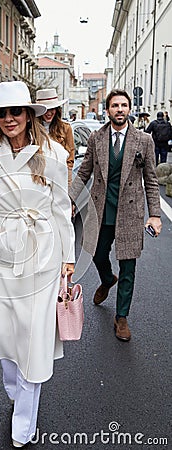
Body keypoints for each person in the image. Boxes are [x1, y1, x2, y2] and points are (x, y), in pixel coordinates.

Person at [0, 81, 75, 448]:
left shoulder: (54, 155)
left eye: (16, 111)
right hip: (0, 258)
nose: (9, 119)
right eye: (3, 113)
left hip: (41, 255)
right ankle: (16, 391)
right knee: (1, 332)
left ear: (30, 115)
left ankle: (24, 422)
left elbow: (63, 209)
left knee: (33, 337)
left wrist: (68, 259)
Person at [70, 88, 162, 342]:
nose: (119, 109)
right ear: (107, 110)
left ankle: (121, 317)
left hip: (130, 213)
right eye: (114, 105)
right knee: (98, 256)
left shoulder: (144, 140)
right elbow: (83, 172)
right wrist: (68, 199)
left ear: (129, 109)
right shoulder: (96, 138)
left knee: (129, 267)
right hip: (101, 211)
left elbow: (151, 181)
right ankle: (107, 279)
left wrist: (155, 214)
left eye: (123, 105)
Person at [36, 88, 75, 186]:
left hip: (59, 177)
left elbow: (70, 156)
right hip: (38, 178)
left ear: (57, 110)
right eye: (45, 109)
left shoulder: (65, 128)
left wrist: (67, 182)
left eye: (52, 109)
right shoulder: (31, 128)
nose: (49, 113)